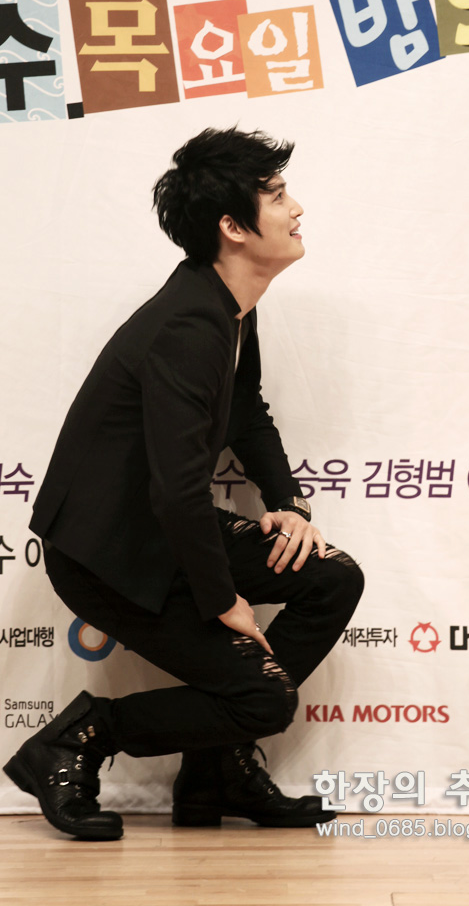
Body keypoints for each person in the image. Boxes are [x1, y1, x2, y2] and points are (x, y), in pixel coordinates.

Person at [3, 126, 364, 841]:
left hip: (159, 532)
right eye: (277, 196)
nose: (297, 209)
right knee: (264, 701)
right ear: (233, 227)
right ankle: (75, 741)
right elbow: (177, 491)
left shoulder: (228, 304)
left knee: (330, 578)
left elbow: (245, 410)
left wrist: (288, 504)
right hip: (109, 553)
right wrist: (223, 600)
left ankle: (215, 772)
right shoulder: (189, 326)